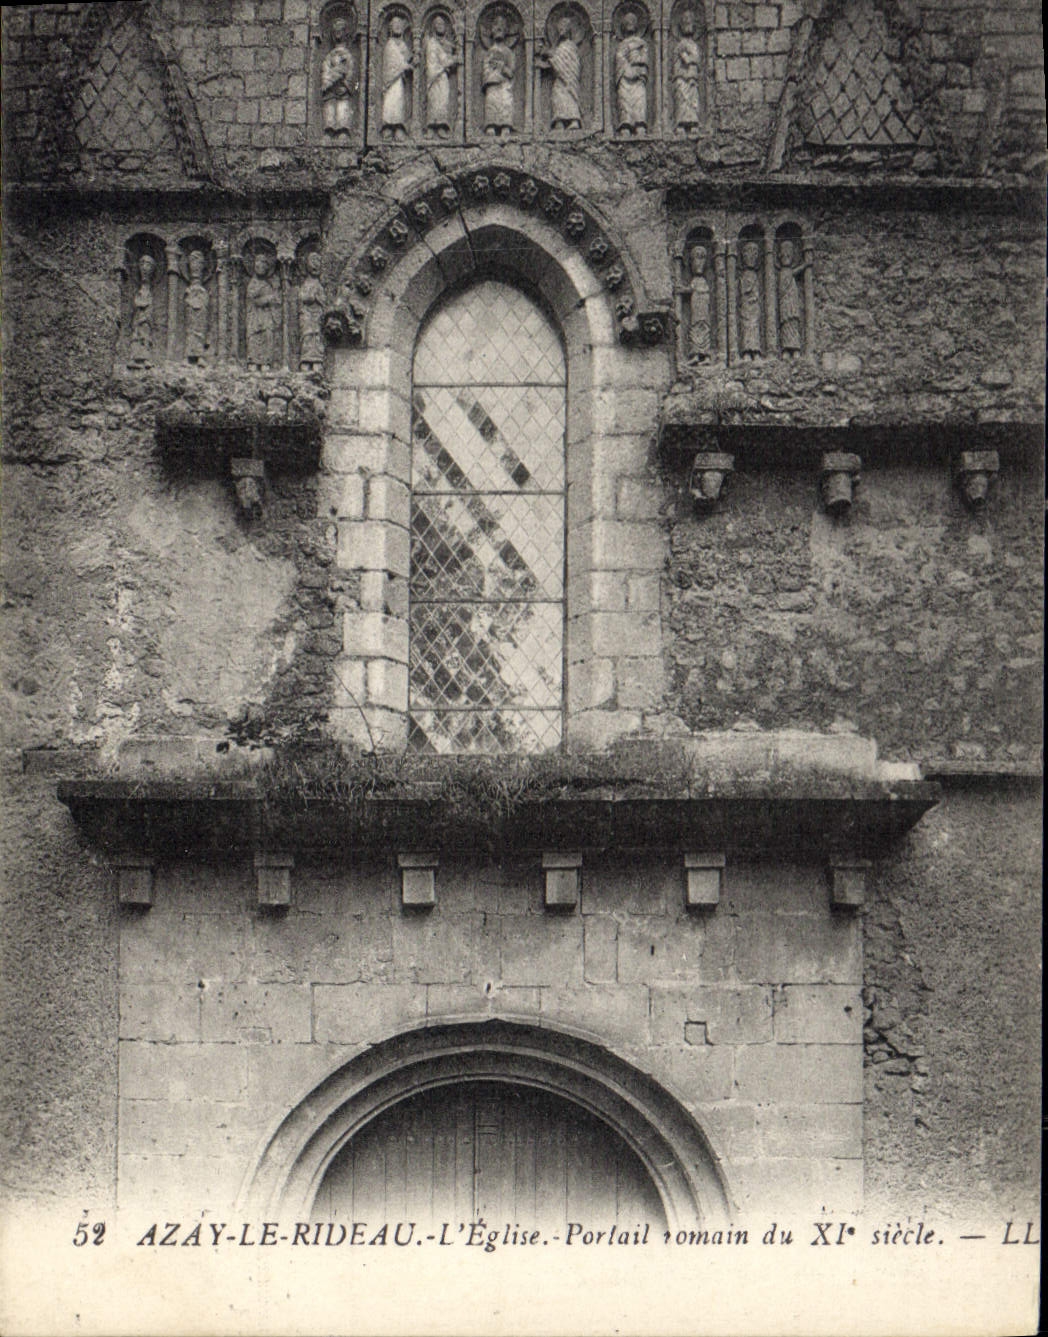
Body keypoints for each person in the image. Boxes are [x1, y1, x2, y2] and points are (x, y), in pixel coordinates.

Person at [540, 16, 581, 130]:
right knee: (557, 95)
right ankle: (559, 122)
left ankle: (574, 121)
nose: (561, 30)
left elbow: (568, 63)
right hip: (559, 79)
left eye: (564, 27)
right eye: (560, 28)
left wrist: (548, 54)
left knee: (569, 96)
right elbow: (555, 62)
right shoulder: (558, 47)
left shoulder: (570, 46)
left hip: (569, 79)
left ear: (569, 29)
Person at [481, 12, 516, 139]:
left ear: (506, 30)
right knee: (491, 101)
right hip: (492, 83)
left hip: (505, 84)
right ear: (491, 30)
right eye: (496, 25)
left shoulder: (509, 52)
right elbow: (484, 70)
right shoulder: (488, 52)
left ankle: (506, 126)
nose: (499, 28)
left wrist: (502, 67)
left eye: (502, 25)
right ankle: (491, 125)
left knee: (506, 101)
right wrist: (490, 73)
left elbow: (511, 72)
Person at [614, 11, 648, 137]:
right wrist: (628, 69)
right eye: (627, 22)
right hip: (625, 76)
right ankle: (625, 125)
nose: (630, 24)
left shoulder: (642, 43)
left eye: (632, 21)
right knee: (624, 99)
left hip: (638, 76)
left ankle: (640, 125)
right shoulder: (621, 45)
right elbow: (619, 58)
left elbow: (644, 59)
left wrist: (637, 63)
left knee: (639, 99)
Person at [425, 15, 459, 137]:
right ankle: (430, 127)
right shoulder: (431, 43)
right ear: (433, 27)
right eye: (437, 24)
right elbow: (435, 60)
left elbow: (448, 58)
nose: (440, 26)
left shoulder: (446, 44)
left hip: (443, 77)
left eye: (442, 24)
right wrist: (453, 59)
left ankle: (441, 126)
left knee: (443, 100)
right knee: (433, 100)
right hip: (434, 76)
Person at [381, 14, 413, 141]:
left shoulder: (403, 45)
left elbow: (407, 58)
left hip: (400, 80)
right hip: (391, 80)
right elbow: (393, 62)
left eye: (400, 24)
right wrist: (405, 66)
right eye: (395, 24)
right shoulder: (390, 44)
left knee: (399, 101)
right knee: (390, 101)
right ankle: (388, 127)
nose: (398, 26)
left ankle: (399, 126)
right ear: (390, 28)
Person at [322, 18, 356, 134]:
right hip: (331, 91)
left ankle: (343, 130)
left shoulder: (347, 55)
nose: (338, 33)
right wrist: (327, 81)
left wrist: (346, 84)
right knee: (330, 108)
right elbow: (325, 69)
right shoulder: (330, 55)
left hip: (343, 89)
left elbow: (350, 71)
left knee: (343, 107)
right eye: (335, 31)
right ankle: (329, 129)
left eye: (340, 30)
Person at [246, 251, 279, 369]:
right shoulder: (252, 284)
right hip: (254, 317)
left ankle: (266, 362)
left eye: (264, 263)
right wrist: (268, 298)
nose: (261, 265)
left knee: (267, 336)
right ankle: (253, 362)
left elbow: (274, 301)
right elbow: (254, 299)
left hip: (266, 317)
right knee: (254, 338)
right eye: (258, 262)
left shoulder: (268, 285)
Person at [672, 11, 701, 136]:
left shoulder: (694, 45)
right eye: (685, 22)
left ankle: (693, 123)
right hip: (681, 77)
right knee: (682, 99)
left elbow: (697, 60)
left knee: (693, 100)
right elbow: (686, 60)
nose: (688, 24)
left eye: (690, 22)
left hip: (692, 78)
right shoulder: (680, 45)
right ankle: (680, 125)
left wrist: (691, 60)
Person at [777, 237, 806, 357]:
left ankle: (795, 349)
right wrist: (805, 265)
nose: (786, 259)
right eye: (784, 256)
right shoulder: (784, 272)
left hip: (792, 304)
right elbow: (793, 273)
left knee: (793, 325)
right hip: (786, 304)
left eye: (789, 256)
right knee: (787, 326)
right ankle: (787, 350)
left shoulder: (787, 271)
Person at [298, 252, 326, 370]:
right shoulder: (306, 284)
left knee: (316, 335)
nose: (315, 266)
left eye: (318, 263)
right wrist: (311, 297)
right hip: (307, 315)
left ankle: (316, 359)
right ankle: (306, 359)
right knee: (307, 335)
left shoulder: (319, 285)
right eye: (312, 262)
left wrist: (317, 298)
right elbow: (303, 298)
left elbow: (323, 300)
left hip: (317, 315)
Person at [686, 244, 711, 364]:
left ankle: (706, 356)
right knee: (695, 330)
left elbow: (698, 291)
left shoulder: (702, 281)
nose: (698, 263)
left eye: (702, 259)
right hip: (695, 311)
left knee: (704, 329)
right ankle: (696, 355)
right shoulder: (695, 281)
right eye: (696, 259)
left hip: (703, 311)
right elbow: (690, 290)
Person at [129, 253, 155, 364]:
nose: (144, 267)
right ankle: (133, 359)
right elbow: (136, 304)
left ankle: (145, 358)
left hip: (146, 320)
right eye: (142, 264)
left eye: (148, 264)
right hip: (138, 318)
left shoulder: (149, 291)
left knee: (145, 334)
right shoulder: (139, 291)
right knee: (136, 334)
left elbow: (149, 306)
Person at [183, 250, 209, 364]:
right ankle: (187, 356)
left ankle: (200, 356)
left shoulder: (203, 290)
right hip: (191, 315)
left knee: (200, 330)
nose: (195, 266)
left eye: (198, 263)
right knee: (190, 331)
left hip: (201, 315)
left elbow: (205, 302)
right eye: (193, 263)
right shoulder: (189, 289)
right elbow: (187, 301)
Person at [738, 240, 762, 361]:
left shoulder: (753, 274)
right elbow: (745, 290)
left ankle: (756, 351)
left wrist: (755, 297)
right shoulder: (745, 274)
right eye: (748, 255)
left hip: (754, 307)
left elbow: (756, 290)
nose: (751, 258)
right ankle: (747, 351)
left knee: (755, 326)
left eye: (754, 255)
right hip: (747, 306)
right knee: (747, 326)